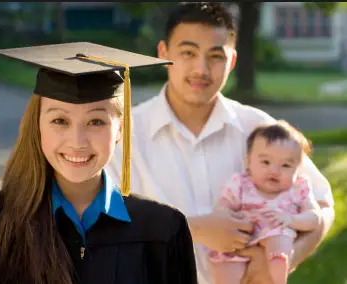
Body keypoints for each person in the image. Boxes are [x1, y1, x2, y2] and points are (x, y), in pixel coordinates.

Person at [0, 42, 198, 284]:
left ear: (121, 131)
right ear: (37, 126)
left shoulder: (161, 230)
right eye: (60, 121)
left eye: (96, 121)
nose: (77, 140)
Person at [106, 3, 335, 284]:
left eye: (215, 56)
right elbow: (101, 229)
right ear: (163, 53)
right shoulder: (122, 136)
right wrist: (193, 229)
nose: (201, 69)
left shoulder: (259, 128)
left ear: (233, 60)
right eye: (188, 53)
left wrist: (287, 259)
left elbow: (323, 204)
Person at [207, 120, 321, 284]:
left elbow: (314, 217)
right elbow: (222, 207)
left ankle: (278, 275)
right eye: (265, 162)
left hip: (275, 230)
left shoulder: (298, 188)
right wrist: (230, 220)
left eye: (286, 165)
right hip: (241, 238)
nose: (274, 170)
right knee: (225, 263)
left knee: (281, 238)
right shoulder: (240, 184)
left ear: (298, 169)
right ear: (248, 162)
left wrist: (291, 220)